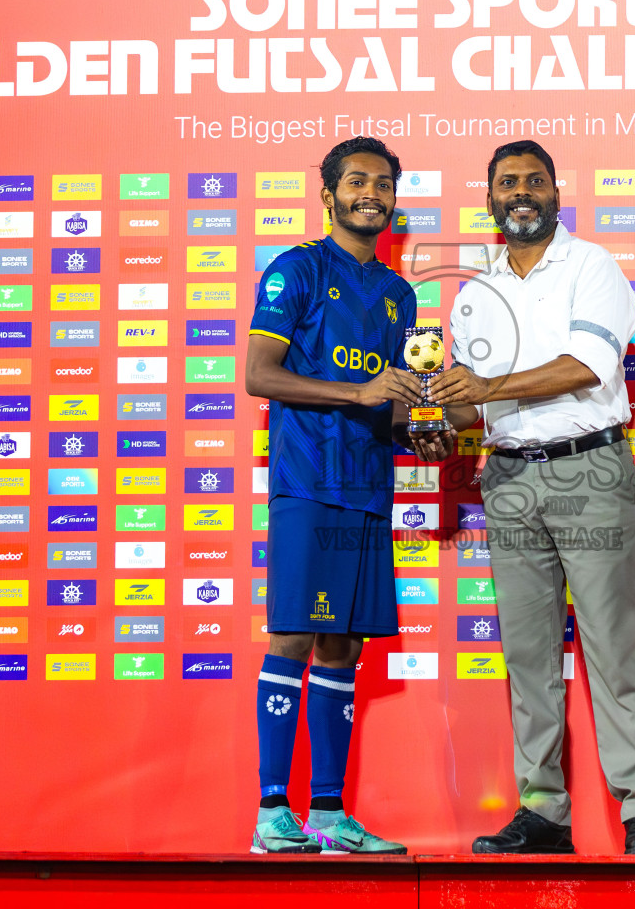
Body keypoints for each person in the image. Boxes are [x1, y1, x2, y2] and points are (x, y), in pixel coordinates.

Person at [423, 140, 635, 855]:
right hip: (506, 479)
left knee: (613, 646)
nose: (521, 192)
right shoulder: (475, 294)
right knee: (528, 654)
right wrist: (438, 427)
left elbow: (588, 366)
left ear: (557, 193)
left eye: (535, 181)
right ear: (490, 199)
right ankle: (544, 809)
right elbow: (469, 403)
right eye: (508, 183)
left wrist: (484, 391)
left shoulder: (592, 266)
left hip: (588, 472)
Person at [244, 136, 421, 854]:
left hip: (367, 487)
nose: (370, 193)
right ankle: (270, 812)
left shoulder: (400, 296)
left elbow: (397, 401)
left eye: (382, 183)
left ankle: (328, 814)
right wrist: (359, 392)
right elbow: (261, 373)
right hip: (307, 481)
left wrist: (422, 430)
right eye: (356, 181)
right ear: (329, 193)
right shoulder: (297, 269)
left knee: (343, 645)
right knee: (293, 631)